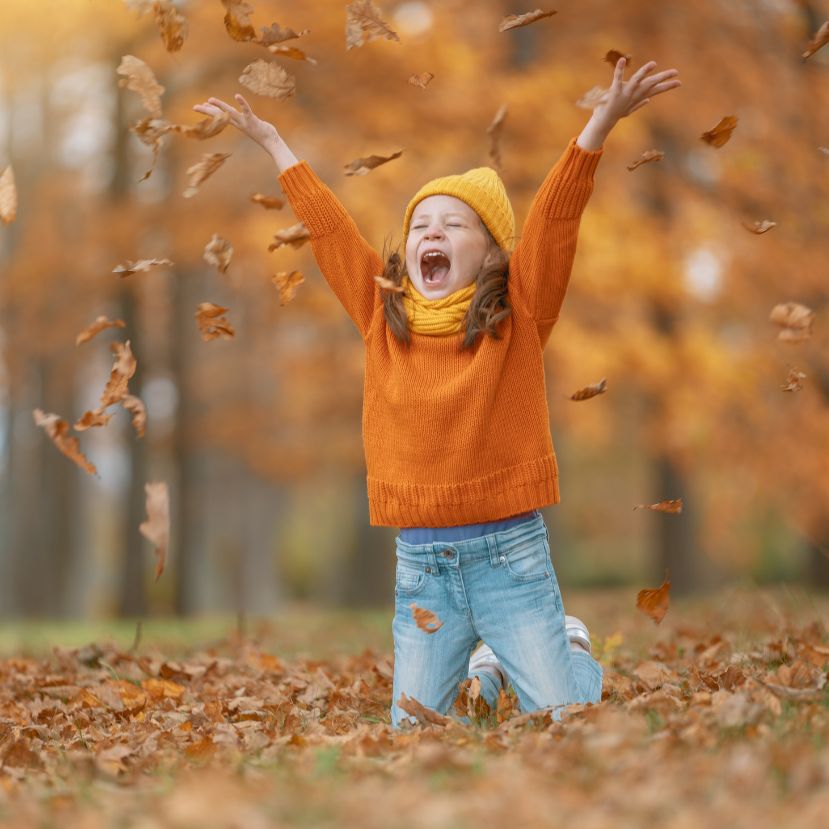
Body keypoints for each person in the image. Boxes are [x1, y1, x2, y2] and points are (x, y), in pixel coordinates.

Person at [194, 57, 681, 727]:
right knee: (412, 731)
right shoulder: (379, 315)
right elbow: (332, 234)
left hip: (511, 556)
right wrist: (276, 144)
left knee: (561, 723)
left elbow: (554, 222)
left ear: (489, 254)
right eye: (422, 223)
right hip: (424, 567)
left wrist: (598, 124)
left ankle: (567, 652)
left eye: (454, 225)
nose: (432, 233)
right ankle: (486, 673)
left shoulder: (518, 314)